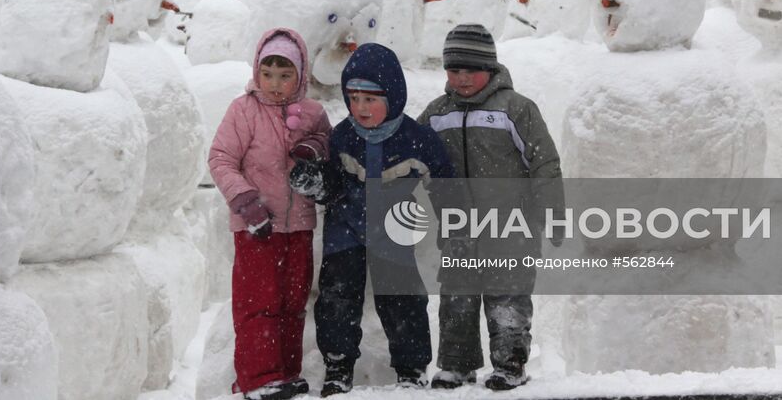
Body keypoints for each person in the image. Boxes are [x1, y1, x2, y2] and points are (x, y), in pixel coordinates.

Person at [300, 43, 454, 396]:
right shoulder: (342, 136)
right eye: (353, 98)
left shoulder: (416, 139)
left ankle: (411, 368)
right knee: (337, 298)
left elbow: (444, 184)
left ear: (394, 96)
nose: (361, 108)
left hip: (393, 230)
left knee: (404, 297)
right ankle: (338, 367)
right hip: (346, 231)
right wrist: (317, 182)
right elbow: (332, 184)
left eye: (371, 99)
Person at [418, 23, 563, 391]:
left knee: (507, 298)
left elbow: (544, 163)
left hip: (511, 227)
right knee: (457, 299)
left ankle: (510, 365)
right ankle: (456, 365)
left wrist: (553, 211)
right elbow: (412, 157)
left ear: (491, 67)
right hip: (459, 229)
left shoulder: (515, 109)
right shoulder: (436, 114)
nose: (463, 79)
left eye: (471, 70)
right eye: (455, 70)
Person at [209, 28, 332, 400]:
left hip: (299, 226)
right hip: (256, 227)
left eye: (285, 75)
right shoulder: (243, 110)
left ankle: (285, 373)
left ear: (301, 75)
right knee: (257, 304)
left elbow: (328, 146)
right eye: (267, 74)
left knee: (292, 304)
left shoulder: (313, 112)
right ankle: (257, 379)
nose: (275, 84)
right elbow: (221, 159)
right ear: (256, 72)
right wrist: (245, 201)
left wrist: (314, 148)